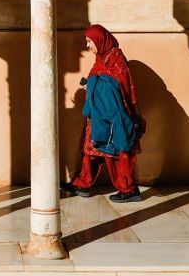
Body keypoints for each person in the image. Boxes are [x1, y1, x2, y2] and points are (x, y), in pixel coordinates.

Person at [61, 24, 145, 202]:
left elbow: (120, 88)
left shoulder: (117, 60)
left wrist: (94, 84)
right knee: (90, 149)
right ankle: (82, 184)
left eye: (89, 41)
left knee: (117, 152)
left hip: (115, 118)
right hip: (98, 115)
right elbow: (98, 80)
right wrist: (90, 84)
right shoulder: (100, 59)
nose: (88, 46)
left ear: (100, 40)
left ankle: (129, 189)